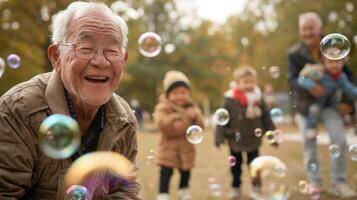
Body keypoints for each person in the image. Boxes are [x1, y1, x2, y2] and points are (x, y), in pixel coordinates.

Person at [0, 1, 141, 199]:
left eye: (112, 50)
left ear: (123, 59)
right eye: (85, 47)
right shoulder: (17, 111)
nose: (100, 61)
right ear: (56, 56)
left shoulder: (124, 119)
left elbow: (125, 190)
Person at [287, 12, 356, 198]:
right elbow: (292, 79)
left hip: (330, 105)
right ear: (300, 31)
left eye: (311, 28)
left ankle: (339, 182)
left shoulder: (334, 46)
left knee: (340, 141)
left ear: (319, 28)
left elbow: (348, 78)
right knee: (309, 144)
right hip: (306, 106)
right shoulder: (294, 54)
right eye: (304, 29)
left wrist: (349, 102)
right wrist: (311, 88)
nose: (308, 32)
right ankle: (315, 183)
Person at [215, 66, 276, 199]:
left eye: (251, 82)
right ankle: (235, 187)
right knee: (235, 167)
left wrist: (273, 134)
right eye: (245, 82)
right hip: (234, 139)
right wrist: (219, 138)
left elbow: (267, 118)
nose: (249, 85)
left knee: (255, 166)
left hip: (253, 138)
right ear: (237, 83)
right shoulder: (229, 100)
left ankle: (256, 187)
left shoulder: (259, 98)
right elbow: (221, 120)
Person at [153, 70, 204, 200]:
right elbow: (165, 127)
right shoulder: (163, 107)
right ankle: (163, 194)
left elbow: (200, 127)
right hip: (168, 149)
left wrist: (196, 117)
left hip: (186, 148)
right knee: (165, 173)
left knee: (186, 171)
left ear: (189, 93)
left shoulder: (192, 107)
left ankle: (184, 191)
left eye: (183, 92)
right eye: (175, 93)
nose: (180, 96)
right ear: (168, 94)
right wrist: (186, 117)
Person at [298, 56, 357, 138]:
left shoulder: (341, 77)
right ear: (324, 63)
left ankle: (350, 123)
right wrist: (313, 86)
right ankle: (310, 129)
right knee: (313, 110)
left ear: (343, 63)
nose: (334, 65)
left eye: (337, 62)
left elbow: (350, 89)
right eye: (330, 62)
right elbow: (302, 79)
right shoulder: (319, 72)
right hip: (315, 101)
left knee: (338, 108)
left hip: (330, 103)